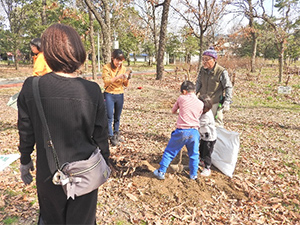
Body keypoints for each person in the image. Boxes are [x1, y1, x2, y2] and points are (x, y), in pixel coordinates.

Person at [18, 23, 110, 225]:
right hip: (85, 173)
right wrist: (106, 161)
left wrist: (25, 160)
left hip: (48, 173)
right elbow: (101, 134)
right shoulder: (92, 90)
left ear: (48, 52)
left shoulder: (32, 87)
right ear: (78, 51)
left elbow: (26, 130)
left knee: (51, 220)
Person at [153, 81, 203, 180]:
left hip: (182, 131)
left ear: (184, 91)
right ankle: (193, 174)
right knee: (194, 154)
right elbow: (198, 115)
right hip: (194, 132)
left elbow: (173, 110)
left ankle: (161, 171)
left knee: (170, 151)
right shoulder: (200, 103)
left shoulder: (181, 98)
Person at [195, 46, 233, 127]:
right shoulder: (202, 70)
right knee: (201, 122)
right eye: (203, 59)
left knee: (216, 124)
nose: (204, 62)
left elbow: (228, 87)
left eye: (207, 59)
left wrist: (227, 102)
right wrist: (193, 95)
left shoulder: (221, 71)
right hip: (202, 101)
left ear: (214, 60)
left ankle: (217, 139)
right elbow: (198, 83)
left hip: (215, 101)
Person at [102, 49, 131, 146]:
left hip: (120, 94)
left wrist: (127, 78)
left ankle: (116, 134)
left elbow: (125, 84)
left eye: (121, 60)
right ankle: (110, 136)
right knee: (109, 117)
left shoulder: (123, 68)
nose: (119, 63)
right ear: (112, 58)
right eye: (117, 60)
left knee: (117, 117)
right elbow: (106, 82)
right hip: (109, 94)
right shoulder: (106, 67)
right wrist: (118, 77)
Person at [198, 94, 217, 177]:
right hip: (203, 136)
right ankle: (201, 160)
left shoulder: (207, 116)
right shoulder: (201, 112)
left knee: (207, 153)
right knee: (201, 149)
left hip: (210, 138)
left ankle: (207, 167)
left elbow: (198, 124)